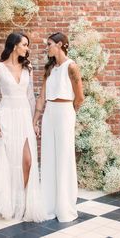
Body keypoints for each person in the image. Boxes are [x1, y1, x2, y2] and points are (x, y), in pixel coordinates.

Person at [0, 32, 46, 222]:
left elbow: (30, 96)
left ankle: (22, 203)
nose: (27, 48)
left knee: (27, 161)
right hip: (5, 116)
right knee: (7, 162)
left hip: (23, 116)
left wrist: (34, 122)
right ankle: (9, 203)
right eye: (24, 44)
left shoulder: (27, 67)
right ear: (14, 46)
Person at [33, 32, 84, 222]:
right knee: (49, 157)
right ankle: (49, 204)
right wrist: (36, 119)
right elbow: (41, 96)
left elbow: (80, 97)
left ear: (60, 44)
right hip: (49, 114)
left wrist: (70, 112)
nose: (47, 48)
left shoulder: (71, 66)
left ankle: (64, 206)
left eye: (49, 44)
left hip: (64, 112)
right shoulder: (50, 69)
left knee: (64, 157)